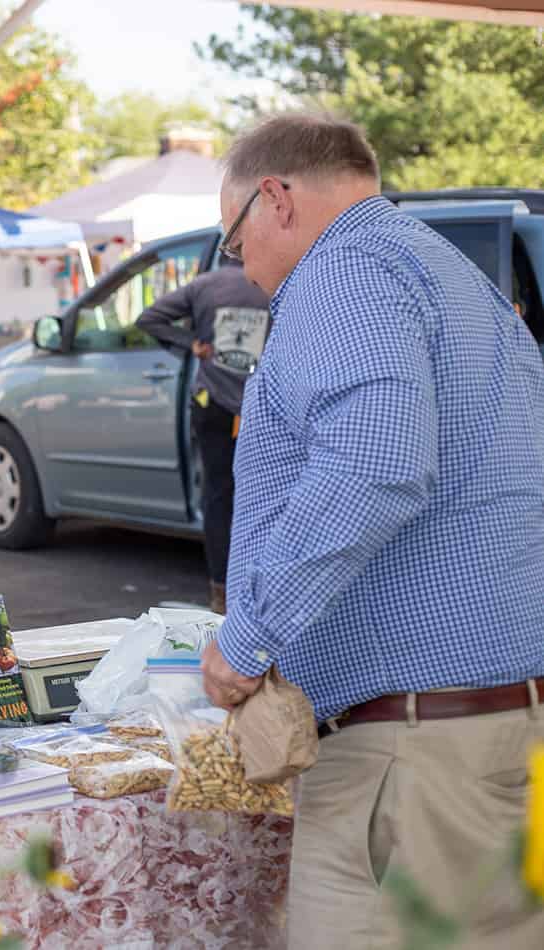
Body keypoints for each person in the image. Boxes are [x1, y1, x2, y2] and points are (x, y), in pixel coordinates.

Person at [200, 113, 544, 948]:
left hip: (416, 754)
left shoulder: (342, 271)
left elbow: (376, 464)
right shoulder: (441, 269)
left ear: (275, 198)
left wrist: (246, 640)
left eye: (233, 237)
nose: (238, 264)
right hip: (487, 733)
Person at [135, 260, 270, 614]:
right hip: (264, 404)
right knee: (265, 496)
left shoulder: (203, 286)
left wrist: (191, 343)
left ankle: (221, 593)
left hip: (214, 405)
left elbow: (149, 319)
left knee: (217, 497)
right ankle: (261, 591)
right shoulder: (271, 279)